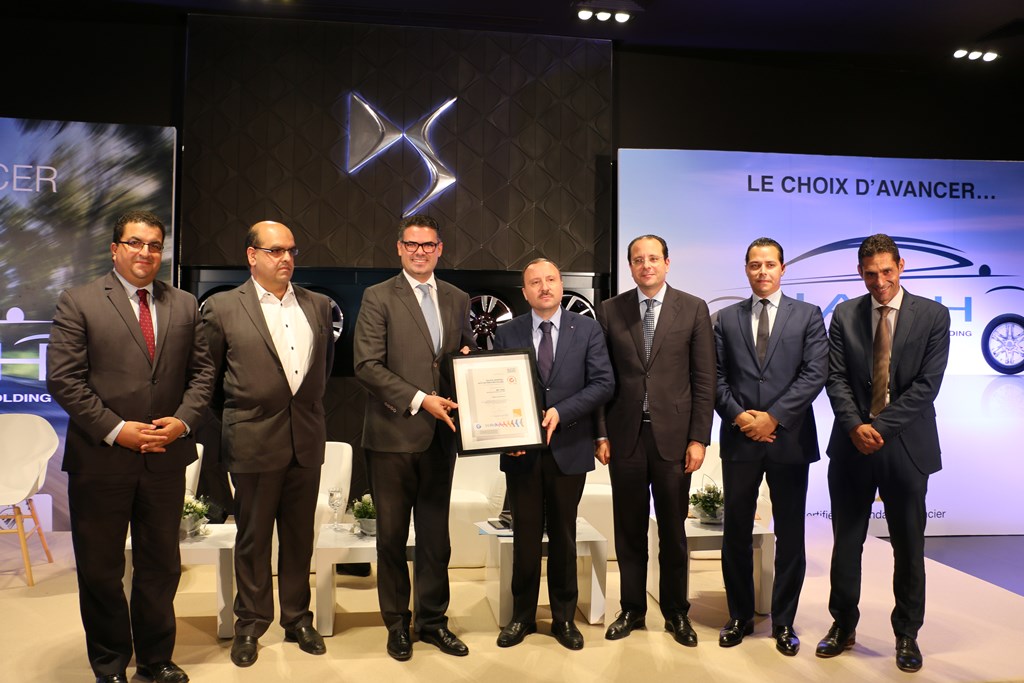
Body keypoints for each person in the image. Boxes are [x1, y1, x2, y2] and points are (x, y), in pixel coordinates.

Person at [47, 210, 215, 683]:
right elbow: (64, 379)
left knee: (161, 565)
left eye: (155, 245)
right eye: (136, 243)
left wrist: (183, 422)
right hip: (101, 458)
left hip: (165, 458)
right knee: (100, 569)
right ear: (115, 248)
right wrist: (117, 429)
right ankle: (110, 664)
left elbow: (203, 374)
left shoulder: (184, 304)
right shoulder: (78, 301)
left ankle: (157, 659)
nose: (146, 253)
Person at [201, 220, 335, 667]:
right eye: (276, 251)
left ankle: (297, 619)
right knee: (254, 539)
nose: (286, 259)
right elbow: (208, 381)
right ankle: (251, 624)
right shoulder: (222, 307)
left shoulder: (318, 305)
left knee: (299, 538)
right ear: (252, 256)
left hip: (306, 439)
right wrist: (243, 417)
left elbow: (322, 371)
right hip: (252, 440)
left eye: (291, 250)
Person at [815, 234, 950, 673]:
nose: (880, 281)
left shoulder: (933, 315)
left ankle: (907, 634)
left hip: (906, 446)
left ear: (901, 266)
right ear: (860, 272)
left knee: (908, 546)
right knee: (846, 544)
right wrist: (855, 426)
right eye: (871, 274)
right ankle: (842, 625)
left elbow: (927, 386)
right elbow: (835, 377)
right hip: (852, 445)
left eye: (887, 271)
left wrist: (880, 427)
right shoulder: (845, 314)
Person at [353, 214, 475, 661]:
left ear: (440, 249)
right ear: (399, 248)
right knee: (390, 538)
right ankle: (396, 624)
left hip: (441, 438)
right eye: (412, 244)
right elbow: (367, 365)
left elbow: (463, 356)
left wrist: (468, 361)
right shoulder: (378, 296)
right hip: (391, 436)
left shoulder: (458, 298)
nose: (419, 252)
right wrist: (422, 400)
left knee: (435, 539)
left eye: (428, 245)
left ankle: (433, 622)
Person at [595, 234, 714, 647]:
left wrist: (699, 438)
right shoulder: (610, 310)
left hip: (674, 440)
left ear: (667, 262)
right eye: (638, 259)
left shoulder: (693, 308)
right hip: (624, 437)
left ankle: (676, 612)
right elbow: (601, 378)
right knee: (628, 530)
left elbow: (704, 379)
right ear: (630, 266)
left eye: (653, 258)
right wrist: (601, 432)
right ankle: (631, 608)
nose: (646, 265)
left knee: (673, 532)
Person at [713, 237, 828, 655]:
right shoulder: (725, 319)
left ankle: (784, 622)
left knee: (791, 534)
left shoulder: (808, 316)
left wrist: (773, 417)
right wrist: (742, 418)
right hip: (740, 438)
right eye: (755, 265)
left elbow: (815, 372)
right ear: (746, 269)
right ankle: (739, 616)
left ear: (783, 269)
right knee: (736, 533)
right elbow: (715, 377)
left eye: (769, 265)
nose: (762, 271)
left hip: (789, 439)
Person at [493, 258, 614, 650]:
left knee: (564, 534)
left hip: (570, 446)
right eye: (535, 282)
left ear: (561, 285)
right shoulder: (506, 332)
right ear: (524, 292)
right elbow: (497, 388)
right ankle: (521, 617)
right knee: (524, 536)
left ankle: (563, 618)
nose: (544, 287)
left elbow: (603, 383)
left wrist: (562, 411)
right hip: (520, 451)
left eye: (550, 280)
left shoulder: (588, 329)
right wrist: (504, 432)